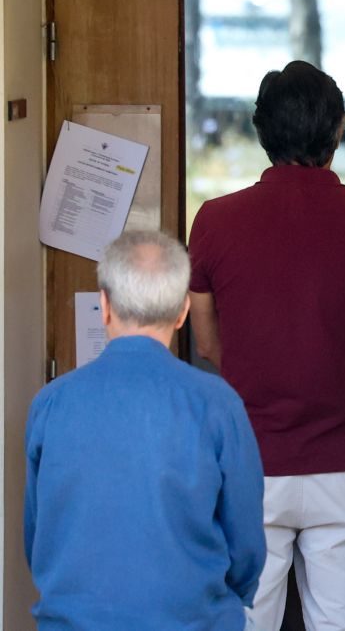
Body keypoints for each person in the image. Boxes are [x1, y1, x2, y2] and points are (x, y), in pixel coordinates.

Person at [188, 60, 345, 630]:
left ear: (261, 131)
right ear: (339, 128)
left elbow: (209, 343)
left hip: (249, 464)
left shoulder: (214, 221)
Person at [24, 230, 265, 630]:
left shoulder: (51, 403)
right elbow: (246, 547)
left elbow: (38, 538)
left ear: (104, 306)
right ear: (184, 311)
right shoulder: (217, 403)